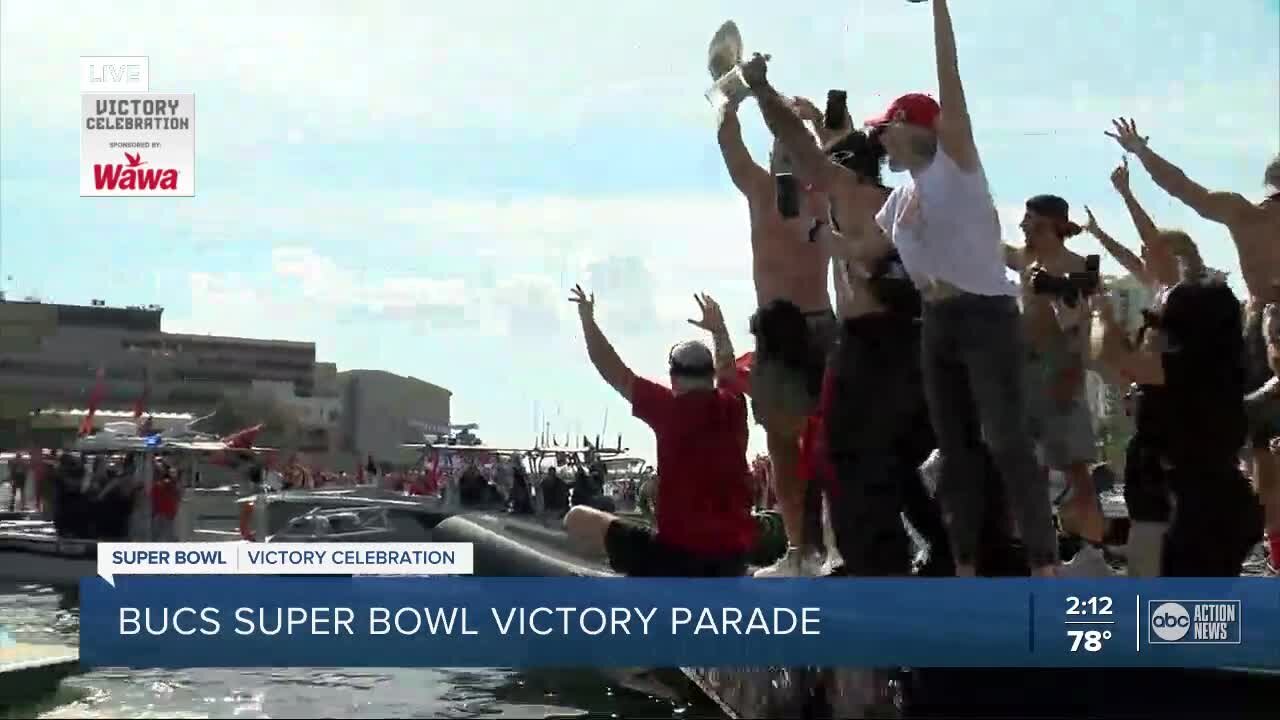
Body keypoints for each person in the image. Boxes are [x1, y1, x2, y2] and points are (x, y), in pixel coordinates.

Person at [752, 0, 1057, 576]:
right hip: (932, 330)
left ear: (918, 129)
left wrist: (939, 9)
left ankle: (1036, 567)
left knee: (996, 442)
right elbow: (864, 252)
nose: (884, 142)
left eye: (889, 130)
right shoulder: (900, 199)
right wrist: (819, 232)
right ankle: (961, 566)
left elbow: (949, 78)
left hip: (974, 320)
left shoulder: (956, 161)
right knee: (949, 455)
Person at [1107, 122, 1280, 554]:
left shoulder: (1246, 213)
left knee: (1260, 444)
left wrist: (1142, 154)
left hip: (1262, 322)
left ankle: (1270, 538)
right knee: (1259, 444)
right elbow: (1185, 190)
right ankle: (1271, 540)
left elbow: (1187, 190)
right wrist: (1142, 156)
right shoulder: (1246, 213)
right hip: (1262, 324)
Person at [718, 85, 835, 575]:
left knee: (835, 443)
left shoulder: (827, 191)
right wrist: (729, 100)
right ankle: (797, 549)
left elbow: (842, 153)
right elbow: (730, 148)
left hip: (819, 326)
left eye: (794, 147)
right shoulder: (760, 188)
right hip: (774, 330)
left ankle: (832, 545)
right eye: (779, 150)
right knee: (782, 448)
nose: (785, 156)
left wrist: (819, 126)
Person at [564, 287, 755, 577]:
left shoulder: (667, 408)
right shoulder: (734, 406)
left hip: (676, 559)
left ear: (673, 376)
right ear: (710, 374)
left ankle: (620, 581)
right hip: (733, 559)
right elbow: (728, 369)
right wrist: (719, 329)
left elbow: (611, 368)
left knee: (577, 518)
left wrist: (587, 320)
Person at [1094, 263, 1264, 576]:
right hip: (1209, 506)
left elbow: (1113, 356)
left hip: (1199, 512)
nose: (1157, 332)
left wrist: (1101, 315)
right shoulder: (1218, 365)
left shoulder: (1193, 367)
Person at [1004, 195, 1104, 543]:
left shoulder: (1077, 266)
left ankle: (1092, 546)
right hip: (1023, 369)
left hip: (1060, 367)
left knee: (1076, 466)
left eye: (1028, 219)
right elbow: (989, 245)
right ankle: (1028, 541)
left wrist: (1072, 374)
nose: (1022, 225)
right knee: (1024, 460)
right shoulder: (1024, 258)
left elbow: (1082, 327)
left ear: (1047, 223)